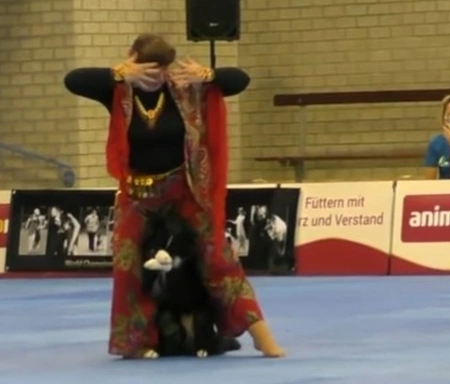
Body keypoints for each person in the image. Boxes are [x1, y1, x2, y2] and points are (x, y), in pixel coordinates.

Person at [64, 33, 285, 360]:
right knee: (128, 264)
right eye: (147, 71)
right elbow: (73, 80)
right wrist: (119, 74)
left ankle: (259, 333)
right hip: (138, 195)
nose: (155, 79)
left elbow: (240, 80)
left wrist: (208, 75)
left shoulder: (185, 89)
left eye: (161, 72)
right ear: (131, 59)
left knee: (217, 258)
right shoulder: (118, 90)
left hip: (186, 191)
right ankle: (137, 341)